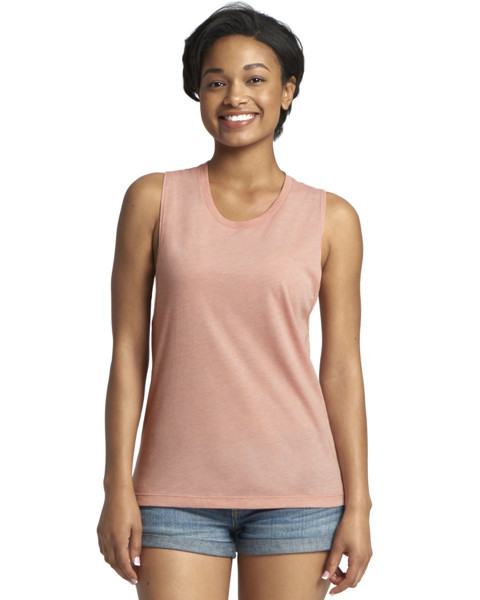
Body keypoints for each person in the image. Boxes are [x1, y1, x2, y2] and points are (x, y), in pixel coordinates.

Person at [96, 2, 372, 599]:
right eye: (216, 81)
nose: (234, 97)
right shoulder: (152, 200)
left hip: (299, 494)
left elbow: (342, 368)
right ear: (198, 92)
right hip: (172, 492)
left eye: (255, 78)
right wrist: (117, 485)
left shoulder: (332, 218)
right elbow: (128, 351)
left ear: (287, 90)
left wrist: (360, 504)